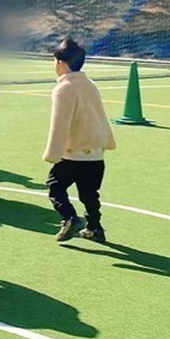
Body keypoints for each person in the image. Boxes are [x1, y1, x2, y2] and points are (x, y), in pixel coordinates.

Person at [43, 37, 115, 243]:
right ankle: (95, 227)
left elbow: (60, 124)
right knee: (90, 194)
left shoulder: (63, 89)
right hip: (96, 153)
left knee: (55, 186)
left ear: (61, 63)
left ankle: (70, 218)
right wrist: (107, 140)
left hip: (73, 153)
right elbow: (100, 115)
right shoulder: (90, 85)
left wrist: (53, 154)